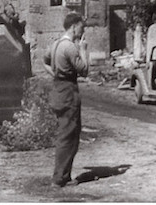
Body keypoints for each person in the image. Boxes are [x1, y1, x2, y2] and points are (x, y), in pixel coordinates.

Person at [43, 12, 88, 188]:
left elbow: (45, 61)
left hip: (58, 89)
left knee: (70, 134)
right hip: (68, 92)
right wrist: (83, 50)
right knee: (67, 136)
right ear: (74, 26)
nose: (82, 30)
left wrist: (55, 74)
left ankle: (65, 175)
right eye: (81, 27)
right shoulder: (70, 47)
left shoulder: (55, 44)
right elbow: (84, 70)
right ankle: (59, 178)